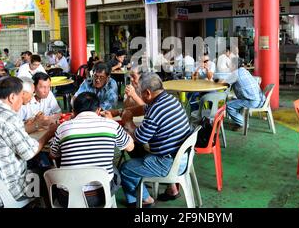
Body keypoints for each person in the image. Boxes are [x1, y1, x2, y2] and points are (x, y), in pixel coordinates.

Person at [0, 76, 57, 207]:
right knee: (48, 174)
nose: (22, 101)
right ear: (12, 97)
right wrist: (49, 133)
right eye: (21, 97)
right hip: (2, 194)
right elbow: (30, 152)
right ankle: (35, 204)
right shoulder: (8, 118)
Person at [49, 92, 134, 207]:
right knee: (113, 170)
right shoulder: (112, 125)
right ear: (98, 110)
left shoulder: (63, 128)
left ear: (73, 111)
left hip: (68, 197)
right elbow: (130, 147)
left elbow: (53, 154)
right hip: (101, 196)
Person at [120, 73, 192, 207]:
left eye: (140, 93)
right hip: (181, 157)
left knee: (125, 169)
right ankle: (173, 189)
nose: (139, 96)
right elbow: (143, 108)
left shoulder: (156, 109)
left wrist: (128, 121)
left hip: (169, 163)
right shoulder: (169, 99)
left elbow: (139, 137)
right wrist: (122, 111)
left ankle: (145, 200)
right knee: (137, 152)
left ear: (147, 93)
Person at [221, 58, 266, 132]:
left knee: (228, 105)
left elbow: (223, 83)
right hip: (261, 100)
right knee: (234, 101)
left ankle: (243, 123)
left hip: (252, 102)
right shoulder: (245, 71)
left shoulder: (235, 73)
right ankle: (239, 121)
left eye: (230, 65)